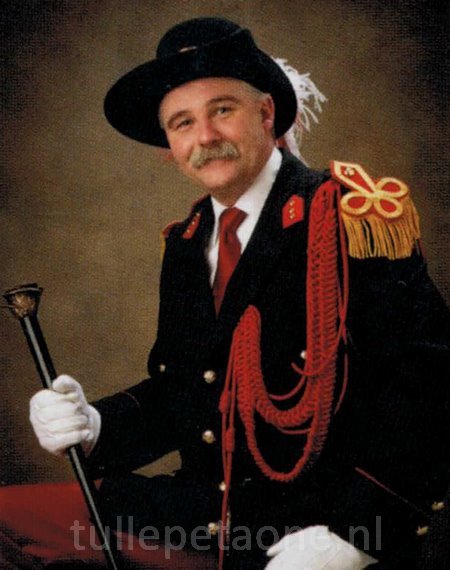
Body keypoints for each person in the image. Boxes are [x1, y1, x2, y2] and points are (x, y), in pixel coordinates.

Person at [1, 16, 449, 570]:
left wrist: (355, 537)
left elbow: (431, 389)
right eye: (183, 123)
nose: (205, 137)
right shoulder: (187, 242)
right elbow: (188, 393)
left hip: (315, 532)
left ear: (266, 113)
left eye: (222, 110)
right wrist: (95, 426)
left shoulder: (346, 217)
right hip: (203, 520)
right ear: (168, 146)